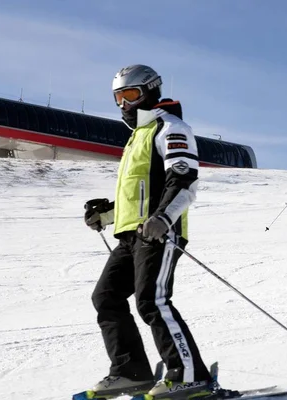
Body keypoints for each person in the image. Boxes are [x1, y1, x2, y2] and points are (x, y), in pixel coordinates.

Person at [83, 65, 213, 399]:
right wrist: (107, 214)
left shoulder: (170, 127)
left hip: (158, 232)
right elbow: (139, 191)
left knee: (152, 301)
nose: (124, 104)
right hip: (130, 234)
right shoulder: (136, 137)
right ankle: (131, 372)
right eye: (118, 97)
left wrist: (163, 219)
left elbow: (183, 181)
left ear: (151, 92)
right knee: (106, 297)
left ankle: (189, 377)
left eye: (131, 95)